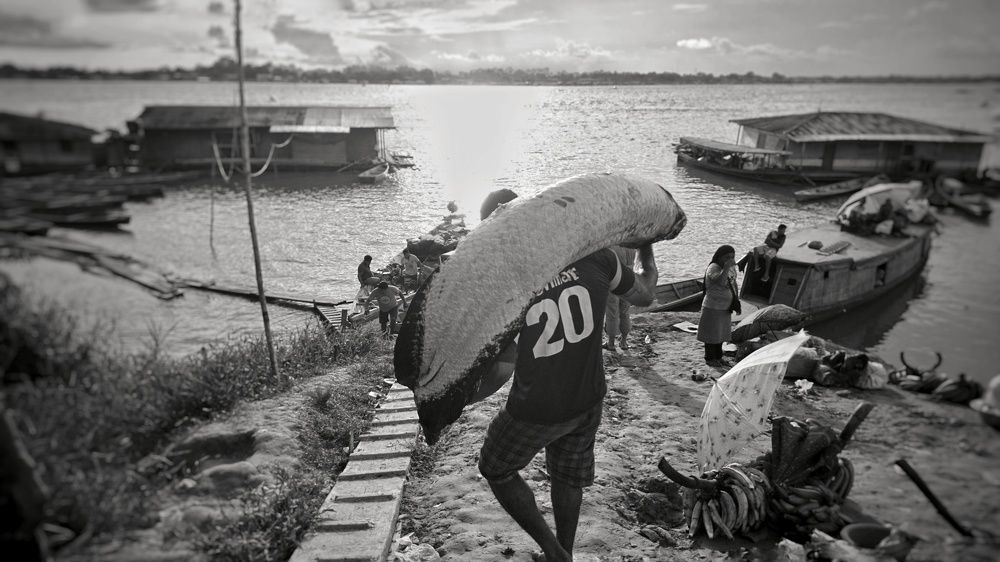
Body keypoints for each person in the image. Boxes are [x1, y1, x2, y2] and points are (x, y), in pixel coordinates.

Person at [475, 188, 660, 562]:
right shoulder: (597, 256)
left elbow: (503, 367)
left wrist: (460, 399)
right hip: (587, 399)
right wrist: (646, 246)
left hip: (535, 407)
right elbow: (646, 294)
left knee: (495, 468)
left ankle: (553, 551)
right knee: (566, 476)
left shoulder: (508, 283)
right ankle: (566, 552)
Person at [697, 245, 741, 367]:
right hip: (713, 307)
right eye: (727, 257)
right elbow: (721, 282)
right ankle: (710, 358)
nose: (730, 260)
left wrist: (736, 299)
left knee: (721, 334)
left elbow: (733, 283)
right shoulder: (713, 268)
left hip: (725, 307)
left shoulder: (731, 268)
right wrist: (726, 267)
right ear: (719, 257)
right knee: (711, 334)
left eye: (732, 257)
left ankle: (718, 357)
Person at [603, 245, 638, 354]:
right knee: (625, 312)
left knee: (612, 313)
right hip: (629, 280)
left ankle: (611, 343)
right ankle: (624, 342)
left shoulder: (612, 246)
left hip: (614, 280)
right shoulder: (632, 245)